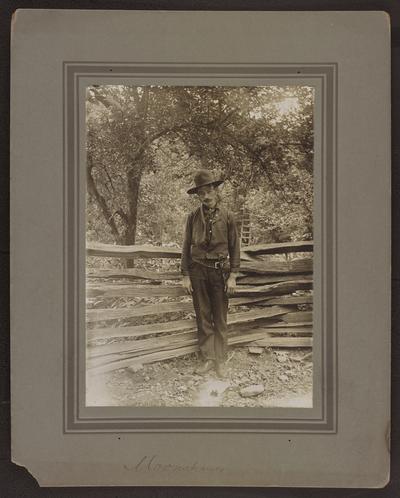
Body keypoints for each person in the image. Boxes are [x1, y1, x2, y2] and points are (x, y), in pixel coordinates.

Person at [181, 169, 240, 378]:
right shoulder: (192, 217)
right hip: (197, 271)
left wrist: (233, 275)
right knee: (203, 316)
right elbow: (186, 245)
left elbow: (234, 247)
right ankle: (208, 358)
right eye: (201, 193)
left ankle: (221, 361)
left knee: (220, 318)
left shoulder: (228, 216)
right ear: (198, 196)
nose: (205, 196)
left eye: (208, 191)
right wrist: (185, 274)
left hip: (219, 273)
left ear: (215, 190)